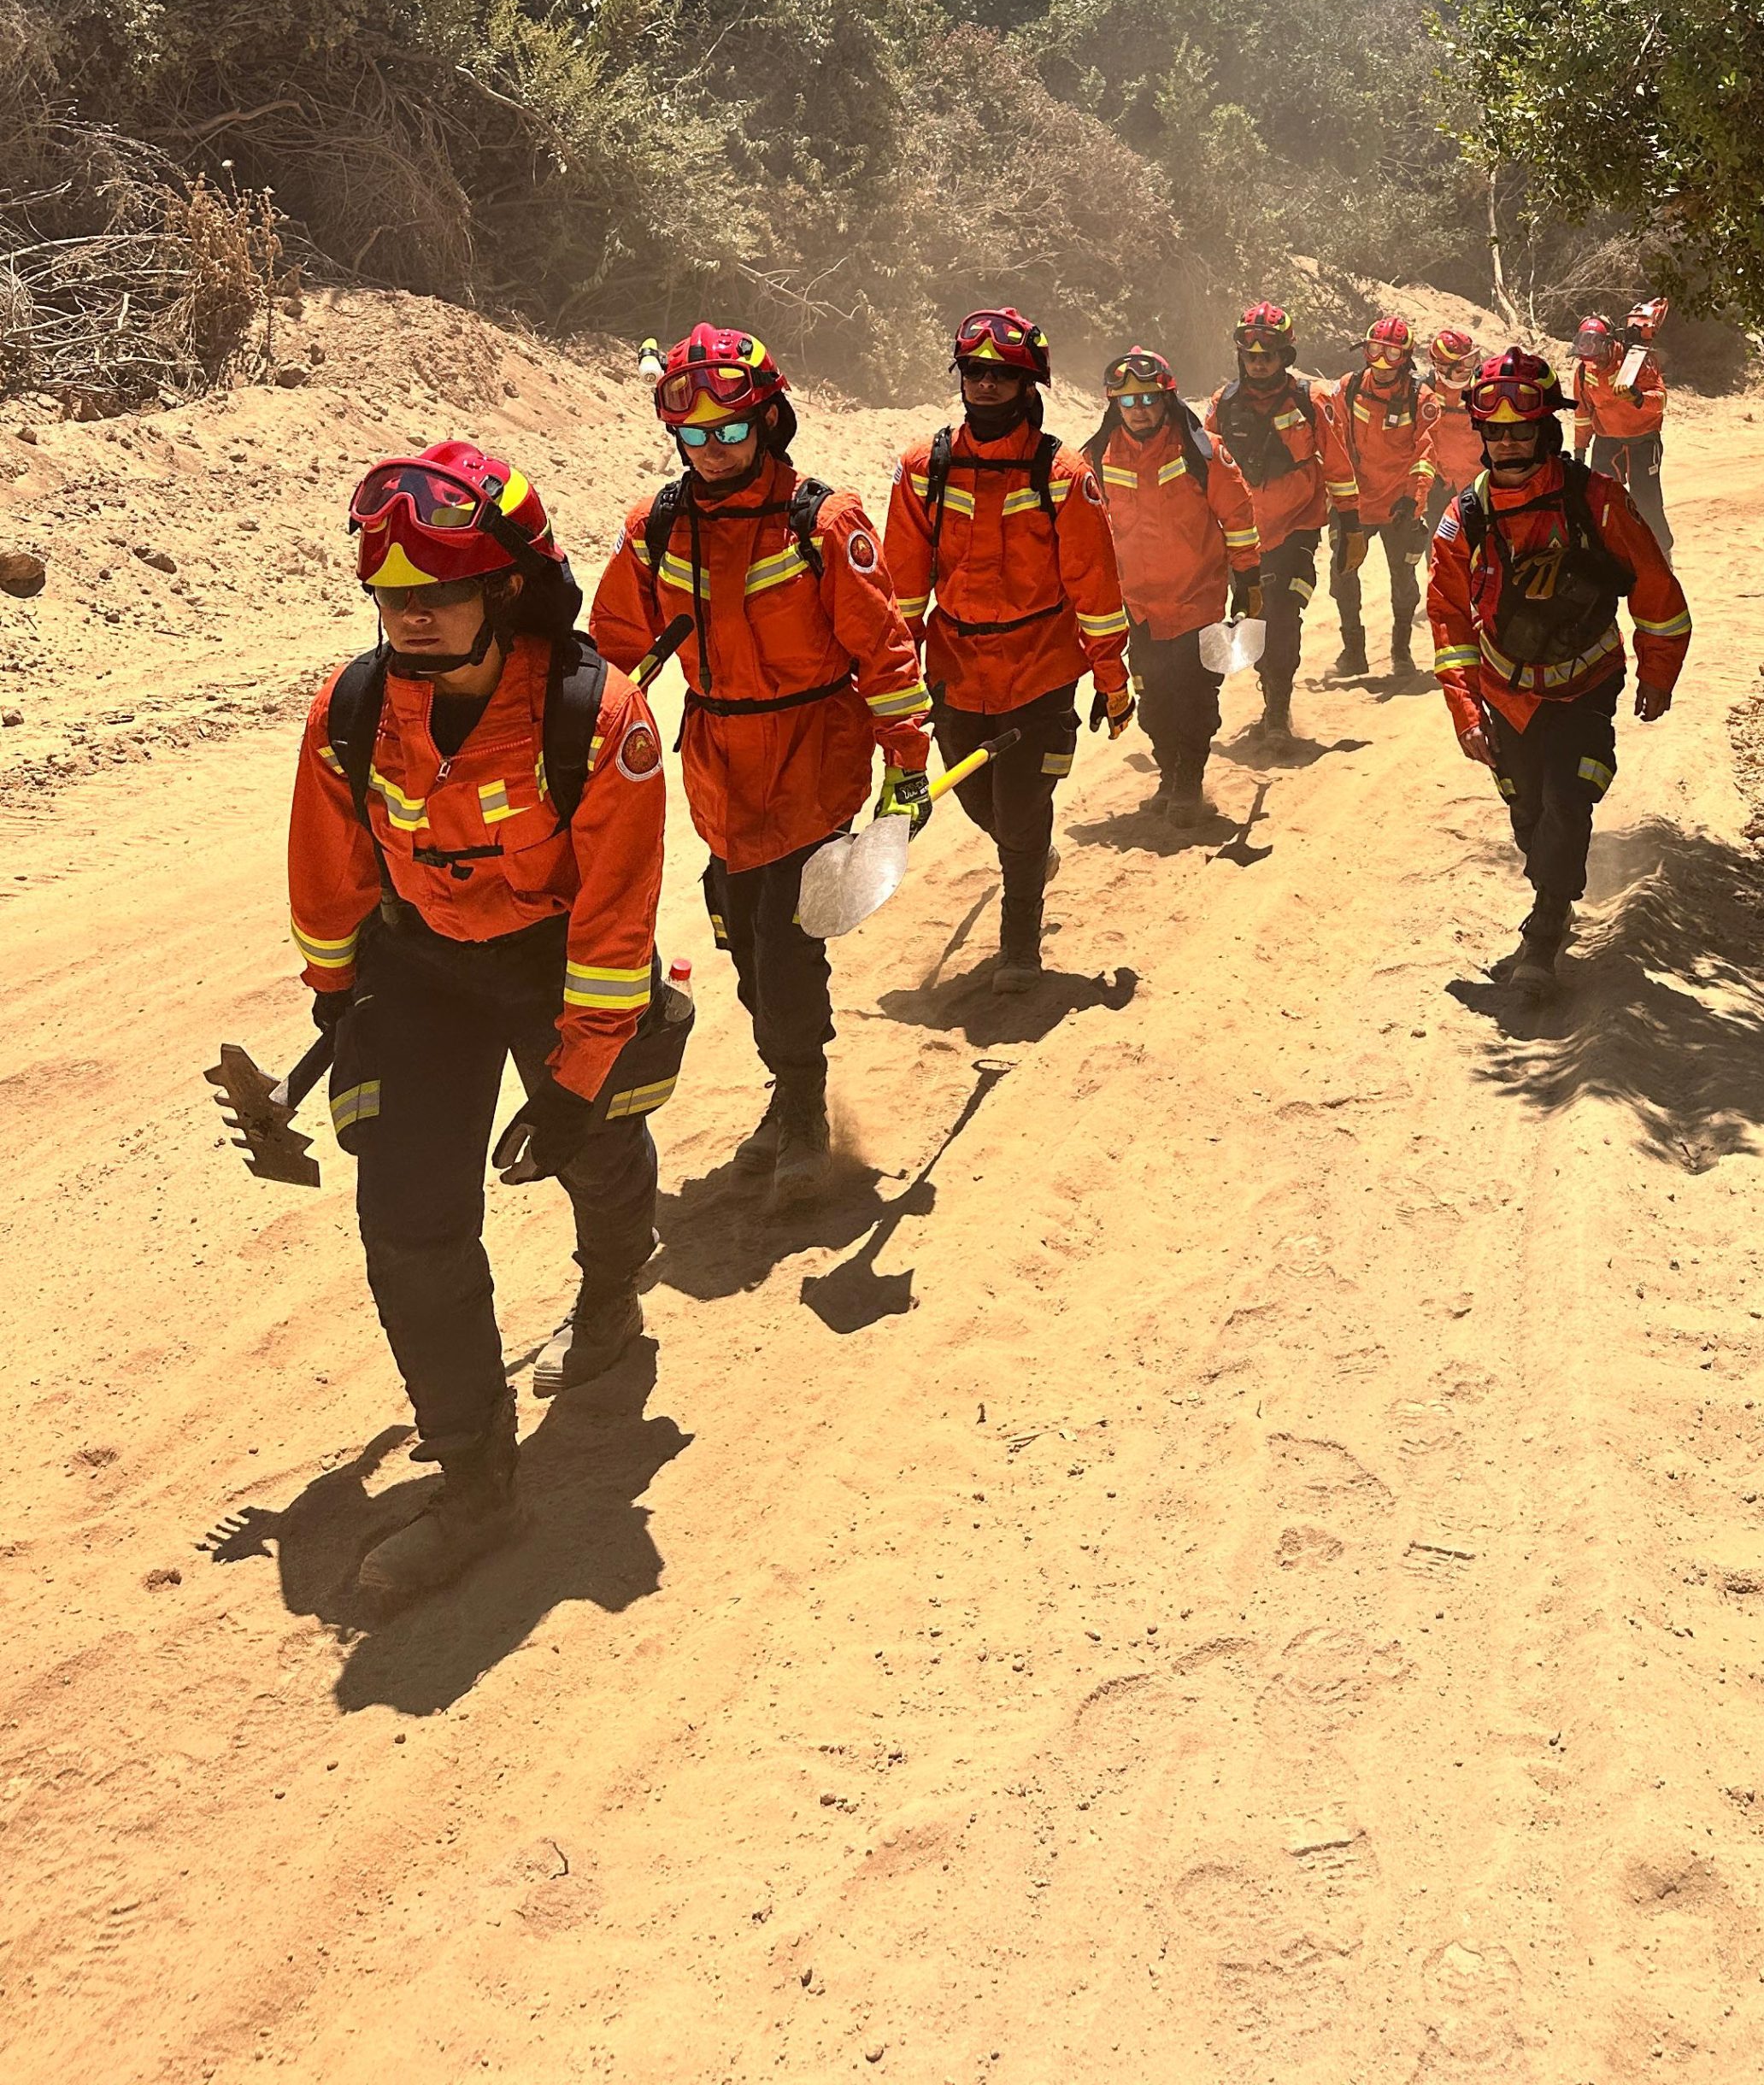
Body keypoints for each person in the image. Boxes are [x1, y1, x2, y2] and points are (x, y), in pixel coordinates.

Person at [286, 443, 671, 1612]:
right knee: (406, 1226)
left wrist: (571, 1083)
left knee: (597, 1148)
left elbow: (615, 921)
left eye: (438, 593)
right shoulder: (352, 708)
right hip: (420, 971)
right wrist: (336, 995)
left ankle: (610, 1292)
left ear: (506, 586)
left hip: (557, 961)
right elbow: (329, 867)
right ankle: (475, 1481)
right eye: (393, 597)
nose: (409, 618)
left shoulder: (596, 719)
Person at [590, 324, 932, 1210]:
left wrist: (906, 763)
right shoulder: (653, 529)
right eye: (693, 437)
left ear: (770, 422)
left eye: (731, 432)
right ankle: (789, 1088)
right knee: (742, 941)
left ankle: (806, 1106)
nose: (711, 452)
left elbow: (884, 650)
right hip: (718, 763)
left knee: (785, 941)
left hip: (814, 754)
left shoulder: (824, 521)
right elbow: (610, 660)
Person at [884, 308, 1132, 992]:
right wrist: (895, 686)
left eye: (1002, 374)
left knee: (1021, 810)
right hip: (956, 673)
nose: (985, 384)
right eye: (974, 371)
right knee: (981, 804)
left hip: (1042, 671)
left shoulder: (1062, 473)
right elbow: (901, 594)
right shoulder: (922, 470)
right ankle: (1029, 856)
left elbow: (1096, 588)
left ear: (1030, 385)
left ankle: (1020, 944)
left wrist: (1113, 680)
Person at [1428, 351, 1691, 997]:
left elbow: (1657, 593)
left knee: (1568, 800)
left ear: (1547, 430)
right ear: (1482, 436)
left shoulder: (1597, 502)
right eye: (1496, 431)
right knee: (1528, 812)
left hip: (1585, 686)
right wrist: (1466, 712)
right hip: (1505, 694)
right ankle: (1550, 889)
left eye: (1522, 429)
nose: (1509, 441)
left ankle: (1546, 925)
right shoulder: (1465, 517)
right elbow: (1447, 620)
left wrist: (1658, 674)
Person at [1084, 344, 1259, 825]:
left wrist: (1249, 580)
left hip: (1197, 600)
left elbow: (1238, 517)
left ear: (1167, 398)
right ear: (1114, 404)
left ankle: (1189, 782)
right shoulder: (1096, 456)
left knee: (1196, 696)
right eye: (1128, 403)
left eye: (1148, 400)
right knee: (1155, 701)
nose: (1139, 412)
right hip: (1137, 607)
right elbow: (1083, 532)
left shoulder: (1203, 451)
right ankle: (1168, 773)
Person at [1202, 301, 1356, 750]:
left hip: (1297, 530)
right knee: (1252, 615)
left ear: (1285, 354)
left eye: (1267, 352)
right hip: (1241, 536)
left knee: (1284, 615)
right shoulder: (1222, 404)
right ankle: (1266, 680)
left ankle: (1277, 707)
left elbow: (1339, 464)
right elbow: (1200, 466)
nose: (1258, 360)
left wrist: (1352, 526)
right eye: (1250, 354)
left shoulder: (1313, 399)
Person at [1320, 313, 1438, 676]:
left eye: (1392, 355)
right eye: (1375, 351)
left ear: (1407, 358)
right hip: (1353, 502)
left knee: (1404, 582)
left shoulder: (1422, 398)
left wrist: (1414, 500)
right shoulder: (1349, 387)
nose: (1382, 363)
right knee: (1342, 576)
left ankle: (1401, 652)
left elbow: (1426, 452)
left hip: (1400, 505)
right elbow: (1330, 438)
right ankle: (1353, 651)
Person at [1571, 300, 1674, 556]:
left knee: (1646, 501)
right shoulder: (1584, 371)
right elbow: (1583, 413)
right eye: (1585, 353)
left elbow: (1660, 401)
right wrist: (1580, 450)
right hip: (1608, 441)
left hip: (1643, 440)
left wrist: (1638, 397)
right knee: (1599, 499)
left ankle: (1661, 553)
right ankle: (1608, 551)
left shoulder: (1638, 361)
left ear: (1607, 342)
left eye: (1594, 351)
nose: (1591, 359)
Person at [1422, 325, 1484, 537]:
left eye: (1470, 365)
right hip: (1440, 484)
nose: (1467, 373)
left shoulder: (1484, 388)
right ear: (1440, 366)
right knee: (1439, 543)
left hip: (1478, 480)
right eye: (1460, 369)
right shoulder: (1424, 390)